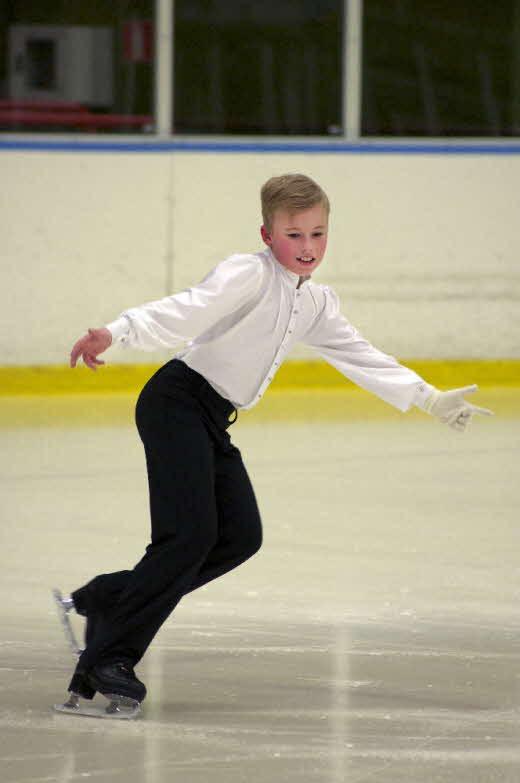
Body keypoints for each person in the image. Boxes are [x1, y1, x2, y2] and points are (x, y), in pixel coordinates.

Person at [60, 173, 493, 709]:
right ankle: (111, 656)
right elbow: (187, 308)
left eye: (317, 234)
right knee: (187, 537)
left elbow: (359, 354)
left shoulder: (314, 303)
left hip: (211, 417)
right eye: (294, 235)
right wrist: (117, 330)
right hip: (176, 403)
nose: (307, 247)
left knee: (239, 536)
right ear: (268, 235)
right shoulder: (249, 274)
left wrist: (428, 397)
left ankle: (111, 598)